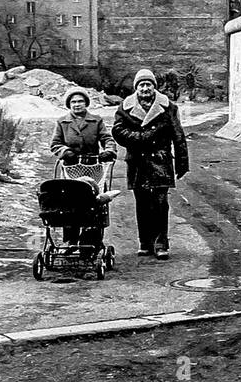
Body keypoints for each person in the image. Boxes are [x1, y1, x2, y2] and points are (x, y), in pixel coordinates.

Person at [111, 68, 189, 259]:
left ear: (154, 86)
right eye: (141, 85)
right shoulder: (125, 107)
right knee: (143, 203)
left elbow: (178, 135)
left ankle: (161, 243)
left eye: (149, 84)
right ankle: (145, 242)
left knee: (161, 203)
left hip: (160, 161)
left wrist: (181, 162)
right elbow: (118, 131)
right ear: (136, 88)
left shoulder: (168, 107)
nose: (145, 88)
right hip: (137, 162)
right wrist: (139, 138)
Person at [50, 87, 116, 250]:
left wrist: (108, 151)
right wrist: (65, 152)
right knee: (70, 203)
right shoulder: (62, 122)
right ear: (68, 104)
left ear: (86, 103)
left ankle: (91, 240)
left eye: (80, 101)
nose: (77, 104)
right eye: (73, 102)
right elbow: (55, 144)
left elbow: (107, 138)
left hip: (93, 167)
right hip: (71, 168)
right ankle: (71, 240)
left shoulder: (96, 120)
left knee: (93, 202)